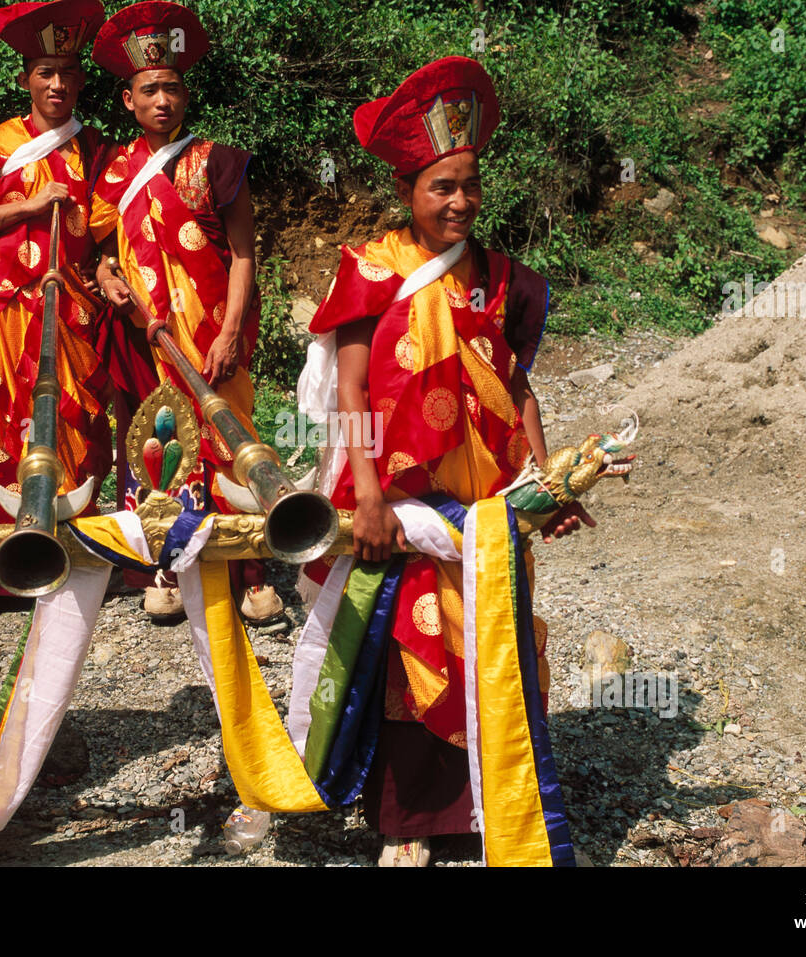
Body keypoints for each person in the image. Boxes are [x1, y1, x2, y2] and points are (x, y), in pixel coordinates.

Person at [302, 56, 590, 865]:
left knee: (489, 646)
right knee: (409, 654)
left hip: (491, 510)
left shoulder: (500, 279)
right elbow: (351, 393)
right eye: (441, 187)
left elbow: (517, 387)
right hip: (403, 506)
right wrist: (364, 493)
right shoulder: (370, 273)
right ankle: (409, 823)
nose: (459, 201)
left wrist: (547, 480)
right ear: (408, 192)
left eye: (469, 184)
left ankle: (486, 805)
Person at [88, 0, 283, 626]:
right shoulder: (112, 170)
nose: (162, 100)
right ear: (129, 100)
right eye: (149, 90)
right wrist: (103, 276)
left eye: (171, 87)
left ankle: (250, 568)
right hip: (143, 335)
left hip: (207, 335)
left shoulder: (218, 161)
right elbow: (100, 250)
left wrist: (229, 332)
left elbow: (246, 255)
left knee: (230, 438)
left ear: (185, 92)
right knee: (153, 439)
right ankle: (163, 565)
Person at [0, 0, 112, 622]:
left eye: (68, 72)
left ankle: (78, 555)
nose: (57, 84)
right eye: (45, 72)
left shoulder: (94, 148)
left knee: (74, 425)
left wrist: (104, 270)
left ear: (80, 81)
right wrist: (32, 204)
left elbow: (100, 233)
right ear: (26, 79)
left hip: (71, 309)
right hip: (6, 310)